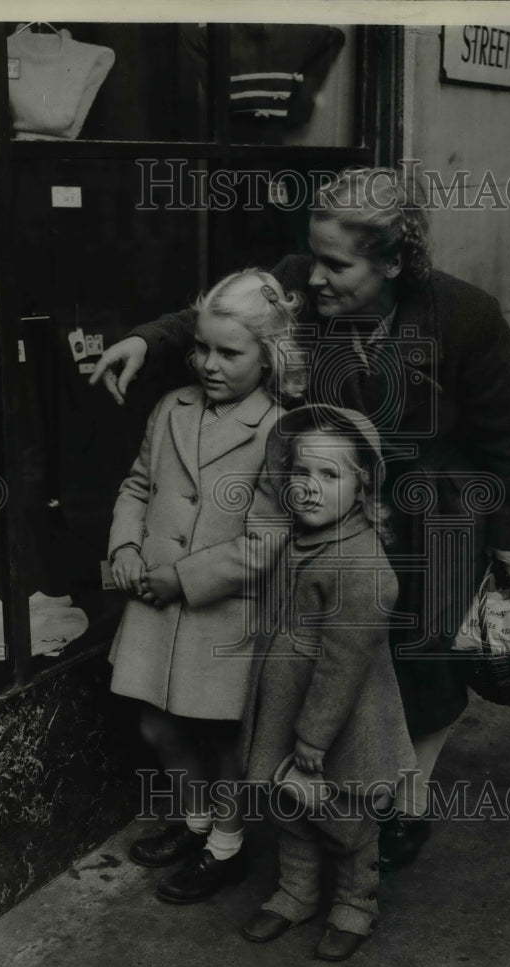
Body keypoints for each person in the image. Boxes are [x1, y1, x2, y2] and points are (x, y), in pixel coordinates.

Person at [93, 166, 510, 870]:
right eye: (315, 258)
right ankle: (344, 801)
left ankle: (405, 806)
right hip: (334, 517)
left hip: (436, 521)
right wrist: (150, 341)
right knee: (351, 663)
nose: (316, 281)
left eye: (339, 265)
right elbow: (227, 318)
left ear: (395, 262)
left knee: (424, 669)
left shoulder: (464, 316)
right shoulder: (301, 282)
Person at [108, 269, 305, 904]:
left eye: (230, 352)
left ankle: (226, 842)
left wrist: (184, 579)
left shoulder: (278, 430)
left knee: (225, 740)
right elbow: (139, 485)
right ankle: (194, 820)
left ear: (269, 355)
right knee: (157, 727)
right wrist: (126, 546)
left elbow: (266, 540)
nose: (209, 365)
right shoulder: (172, 407)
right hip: (154, 605)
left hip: (222, 612)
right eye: (202, 348)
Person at [237, 404, 415, 961]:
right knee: (289, 806)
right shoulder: (304, 540)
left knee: (345, 818)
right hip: (290, 700)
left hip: (343, 716)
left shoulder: (360, 567)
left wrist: (313, 737)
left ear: (362, 486)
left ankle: (356, 904)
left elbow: (343, 665)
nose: (309, 488)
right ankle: (296, 891)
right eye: (301, 473)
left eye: (330, 475)